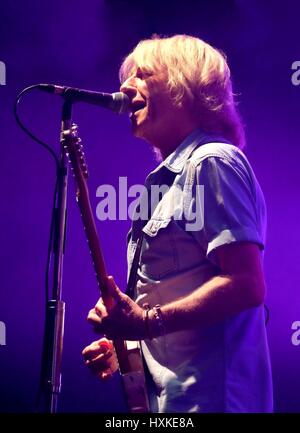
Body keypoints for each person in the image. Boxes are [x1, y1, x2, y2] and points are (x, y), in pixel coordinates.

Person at [82, 34, 273, 413]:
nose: (124, 85)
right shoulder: (167, 181)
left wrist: (147, 323)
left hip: (213, 401)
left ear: (183, 86)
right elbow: (171, 294)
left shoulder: (211, 161)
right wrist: (129, 345)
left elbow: (246, 285)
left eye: (143, 74)